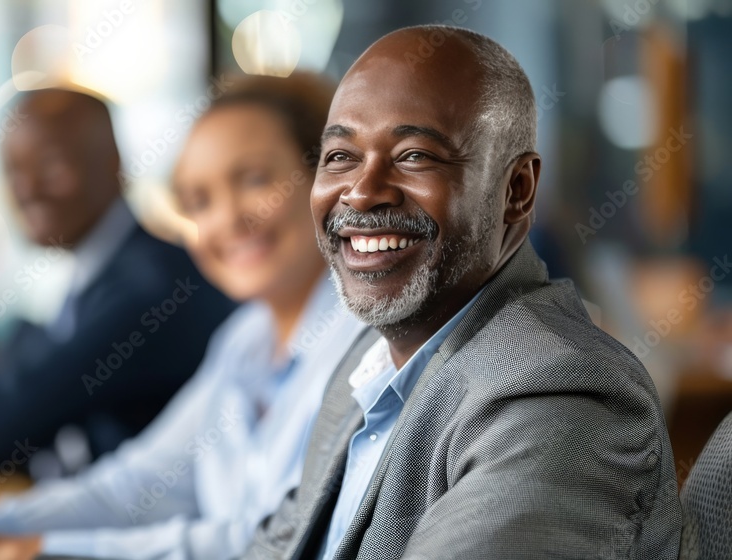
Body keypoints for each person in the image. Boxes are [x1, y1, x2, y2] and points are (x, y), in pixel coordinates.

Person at [0, 73, 366, 560]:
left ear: (328, 177)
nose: (227, 219)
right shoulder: (245, 338)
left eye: (253, 179)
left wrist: (27, 550)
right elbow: (131, 487)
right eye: (199, 199)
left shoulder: (365, 345)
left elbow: (277, 541)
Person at [243, 25, 683, 559]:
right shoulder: (367, 364)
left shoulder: (559, 395)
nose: (360, 190)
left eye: (414, 156)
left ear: (516, 191)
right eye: (340, 156)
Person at [0, 89, 236, 469]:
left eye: (50, 166)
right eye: (14, 171)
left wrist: (23, 340)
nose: (28, 189)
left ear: (112, 161)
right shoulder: (102, 272)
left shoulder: (149, 287)